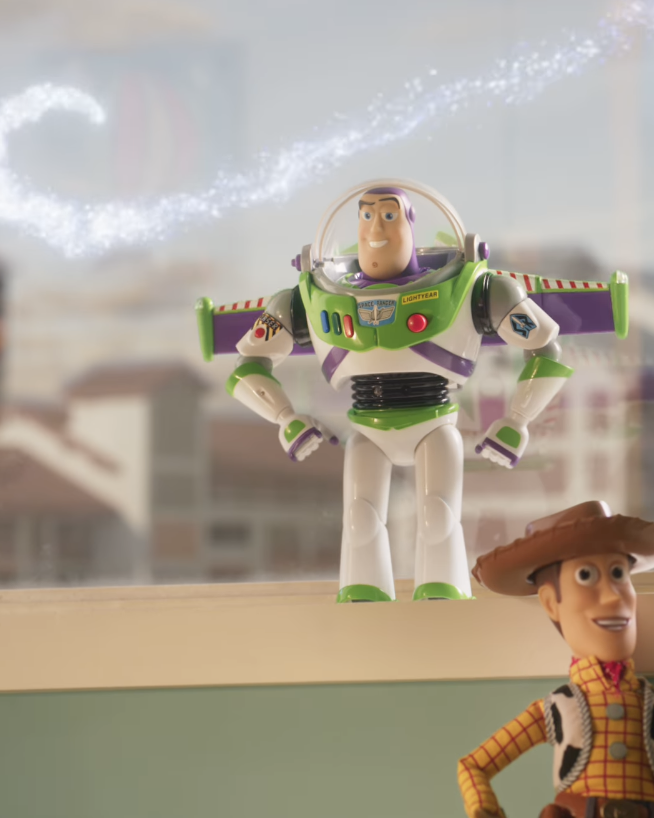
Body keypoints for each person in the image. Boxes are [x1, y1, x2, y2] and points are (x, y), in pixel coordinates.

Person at [457, 500, 654, 818]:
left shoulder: (648, 703)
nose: (612, 595)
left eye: (618, 573)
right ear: (551, 603)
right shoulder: (560, 708)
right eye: (586, 576)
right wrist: (484, 809)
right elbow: (473, 765)